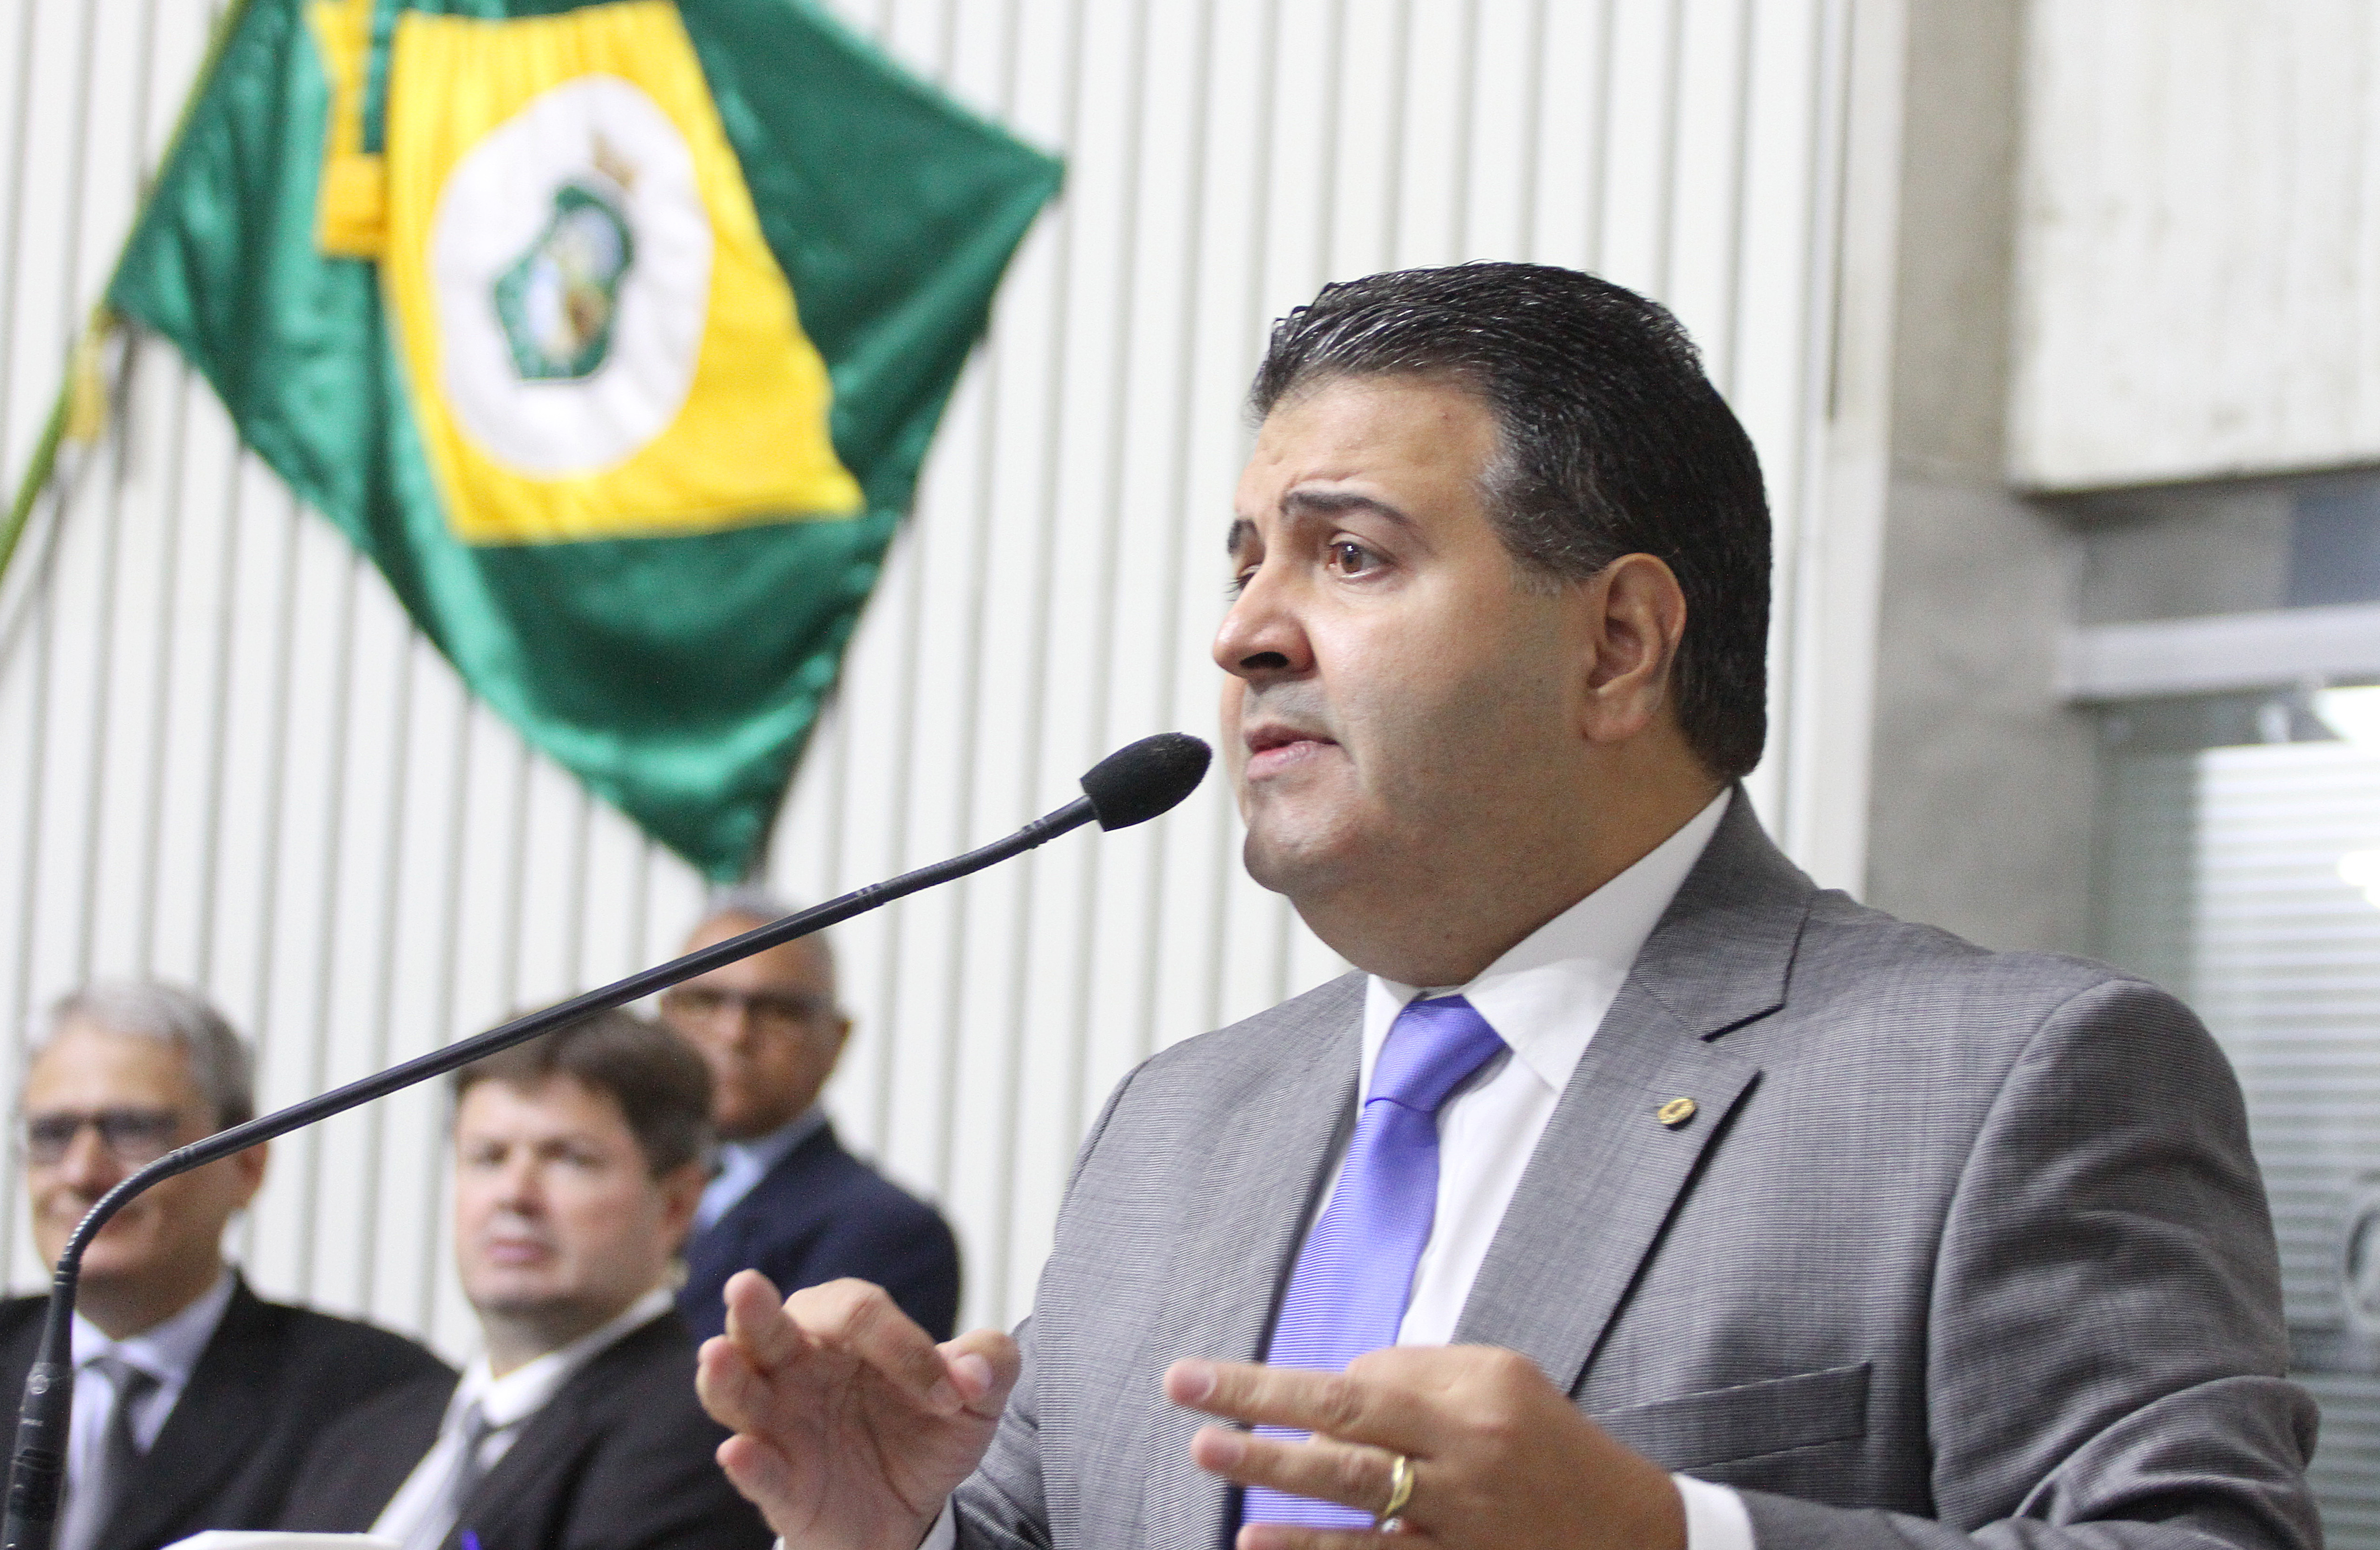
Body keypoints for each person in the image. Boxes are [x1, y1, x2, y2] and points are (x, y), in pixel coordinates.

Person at [695, 261, 2322, 1550]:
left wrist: (1668, 1536)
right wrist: (895, 1533)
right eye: (1245, 560)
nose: (1244, 633)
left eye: (1349, 555)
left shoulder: (2005, 1083)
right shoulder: (1174, 1127)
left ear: (1616, 646)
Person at [280, 1009, 769, 1550]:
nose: (514, 1194)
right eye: (488, 1157)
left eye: (570, 1159)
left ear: (676, 1205)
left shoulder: (706, 1429)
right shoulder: (364, 1438)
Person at [0, 981, 446, 1550]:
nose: (81, 1173)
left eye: (131, 1129)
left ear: (247, 1164)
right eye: (51, 1134)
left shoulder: (380, 1398)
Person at [660, 892, 959, 1342]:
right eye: (705, 1002)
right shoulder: (603, 1189)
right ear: (664, 1018)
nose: (734, 1033)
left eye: (778, 1011)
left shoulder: (887, 1232)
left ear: (837, 1040)